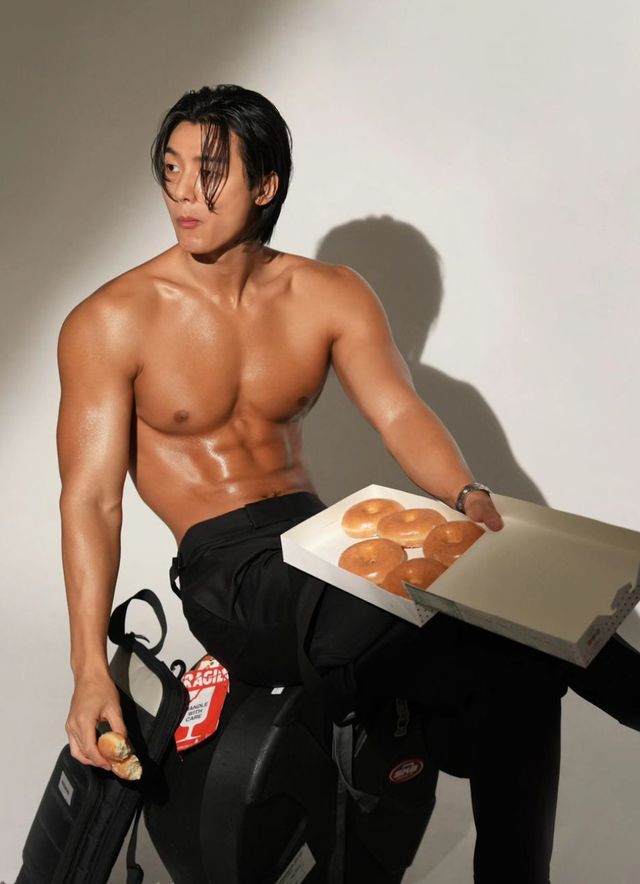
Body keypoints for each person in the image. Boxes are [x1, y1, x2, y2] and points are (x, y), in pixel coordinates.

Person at [57, 84, 640, 884]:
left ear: (266, 185)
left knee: (523, 666)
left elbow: (399, 412)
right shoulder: (111, 320)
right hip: (230, 573)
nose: (184, 192)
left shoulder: (329, 294)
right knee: (491, 623)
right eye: (173, 168)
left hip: (325, 536)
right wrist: (88, 666)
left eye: (211, 172)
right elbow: (91, 501)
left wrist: (466, 497)